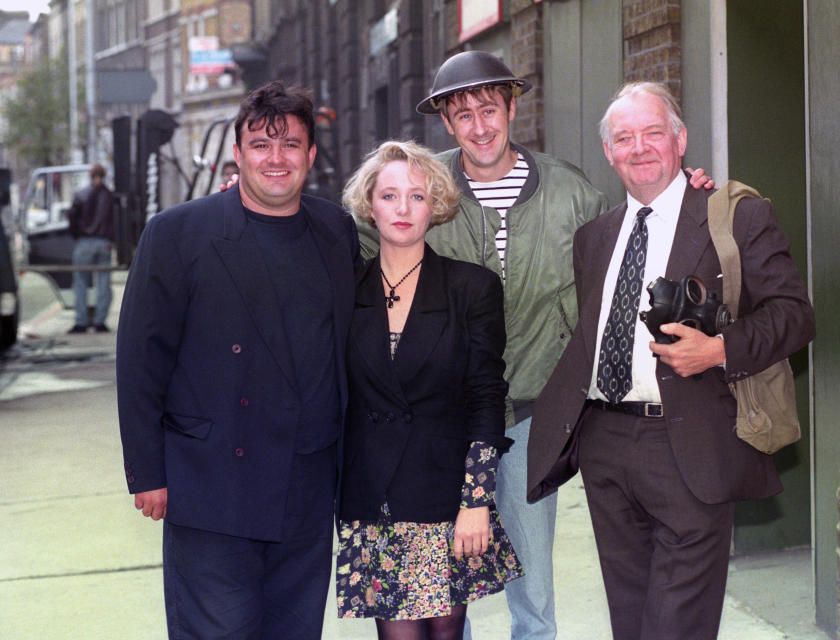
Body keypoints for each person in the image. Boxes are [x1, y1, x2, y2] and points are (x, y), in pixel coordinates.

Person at [358, 51, 713, 640]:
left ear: (513, 108)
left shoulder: (572, 193)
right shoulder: (425, 188)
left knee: (533, 594)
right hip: (437, 424)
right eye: (462, 114)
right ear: (446, 123)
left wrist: (688, 188)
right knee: (444, 590)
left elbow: (635, 242)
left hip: (530, 417)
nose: (479, 126)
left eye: (489, 109)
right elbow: (361, 243)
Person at [526, 81, 816, 639]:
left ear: (680, 140)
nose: (639, 148)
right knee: (630, 622)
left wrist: (720, 350)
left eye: (653, 133)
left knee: (677, 626)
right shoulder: (594, 237)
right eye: (624, 138)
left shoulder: (735, 217)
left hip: (689, 447)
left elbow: (795, 314)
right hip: (606, 447)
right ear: (608, 153)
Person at [116, 81, 360, 638]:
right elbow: (138, 363)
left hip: (307, 481)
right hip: (212, 482)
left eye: (290, 145)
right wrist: (147, 472)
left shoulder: (336, 229)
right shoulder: (177, 234)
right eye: (260, 145)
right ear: (238, 153)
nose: (276, 159)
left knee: (295, 630)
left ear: (311, 155)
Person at [336, 139, 522, 639]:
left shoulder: (472, 288)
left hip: (445, 497)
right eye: (389, 195)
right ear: (368, 204)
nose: (402, 208)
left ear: (435, 206)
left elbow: (486, 396)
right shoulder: (341, 290)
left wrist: (476, 500)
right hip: (373, 497)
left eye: (417, 196)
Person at [67, 163, 115, 333]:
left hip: (84, 242)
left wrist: (77, 235)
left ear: (90, 175)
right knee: (103, 282)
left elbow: (72, 219)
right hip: (104, 243)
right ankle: (99, 321)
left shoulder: (81, 195)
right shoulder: (110, 196)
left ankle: (81, 322)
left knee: (80, 282)